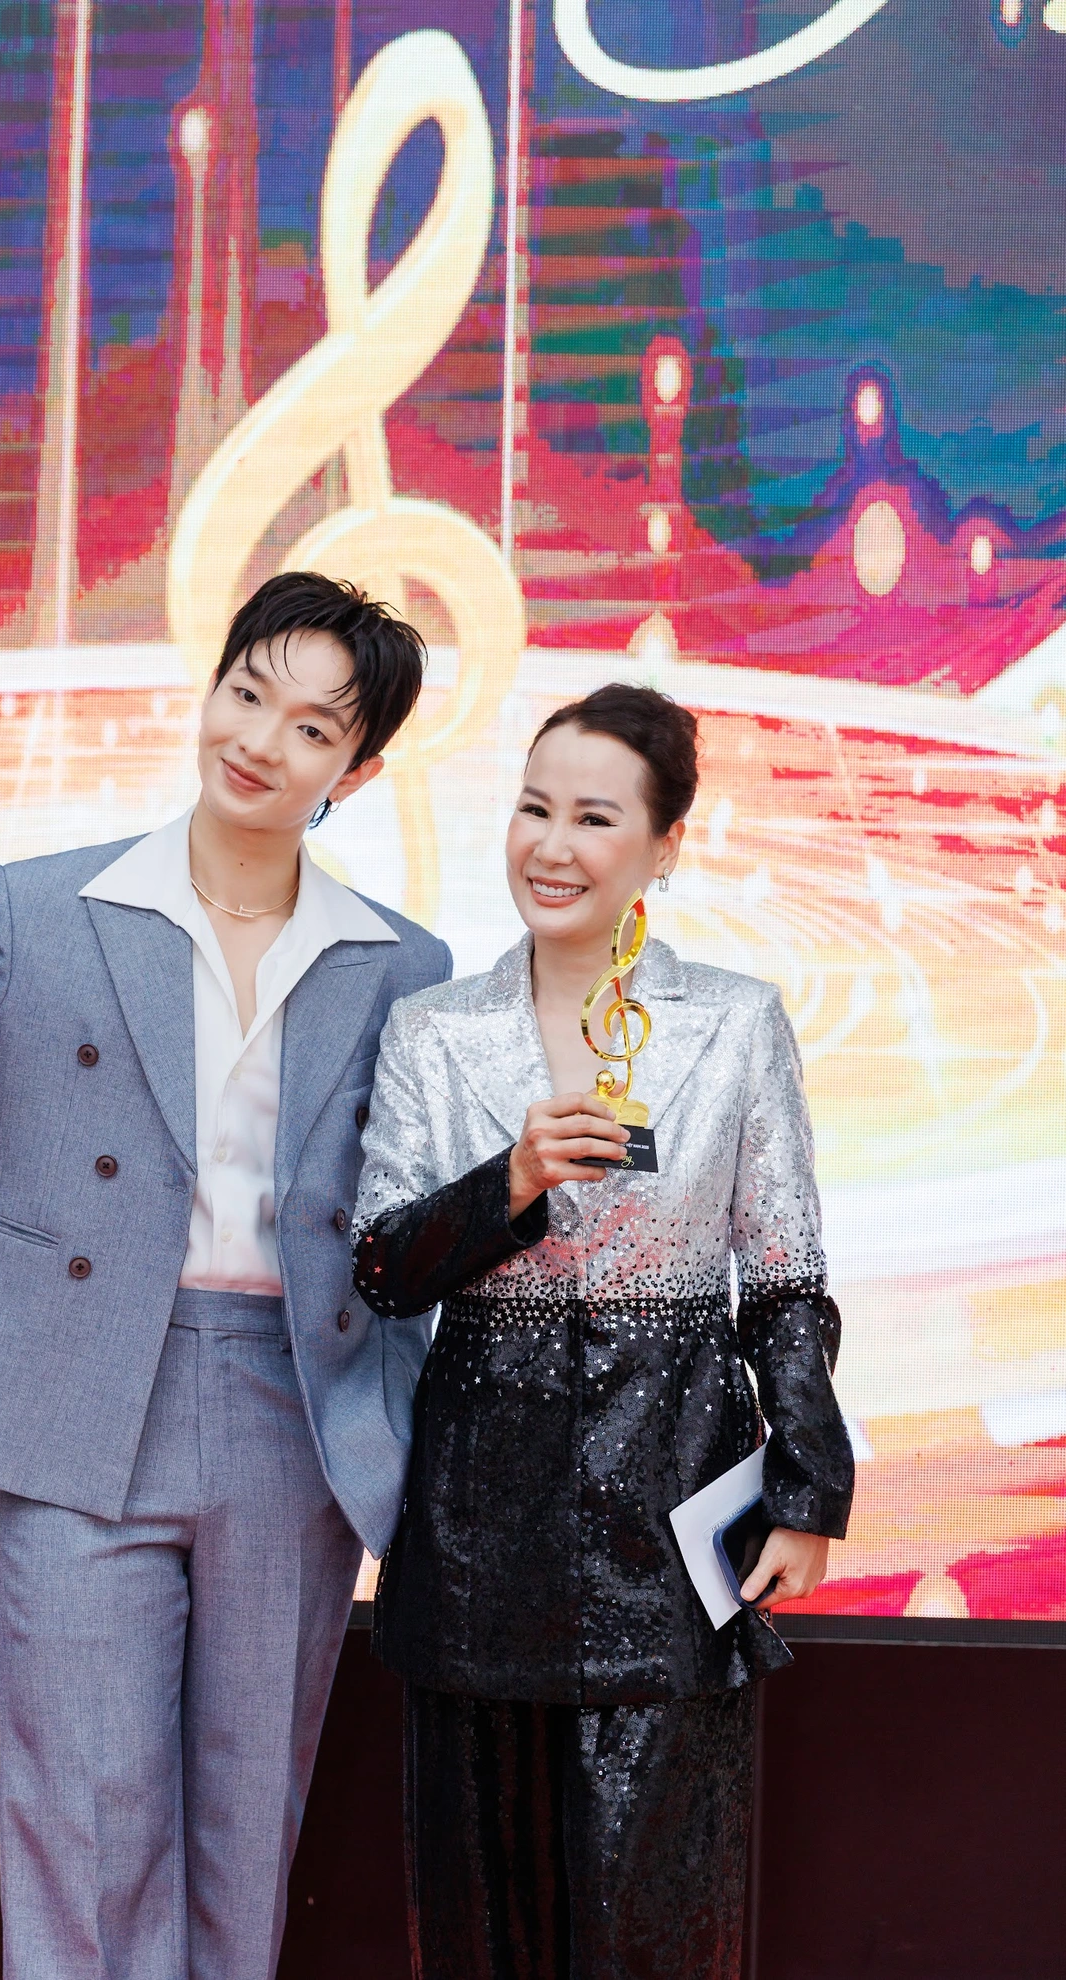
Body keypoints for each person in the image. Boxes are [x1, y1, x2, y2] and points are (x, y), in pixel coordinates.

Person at [0, 572, 450, 1980]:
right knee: (84, 1814)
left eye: (313, 728)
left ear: (356, 771)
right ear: (212, 685)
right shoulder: (46, 905)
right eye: (248, 692)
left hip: (297, 1412)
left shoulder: (398, 964)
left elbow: (412, 1224)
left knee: (249, 1821)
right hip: (77, 1391)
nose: (260, 740)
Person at [351, 684, 854, 1980]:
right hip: (474, 1527)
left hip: (671, 1515)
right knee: (481, 1915)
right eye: (534, 809)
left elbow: (786, 1279)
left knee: (657, 1912)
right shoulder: (431, 1030)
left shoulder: (736, 1022)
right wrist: (509, 1181)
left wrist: (807, 1494)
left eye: (593, 817)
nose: (552, 846)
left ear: (665, 846)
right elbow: (383, 1270)